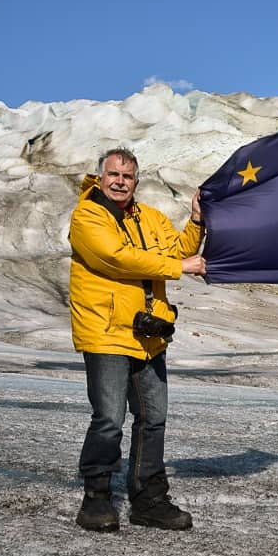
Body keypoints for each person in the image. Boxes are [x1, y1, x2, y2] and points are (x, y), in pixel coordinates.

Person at [68, 147, 206, 532]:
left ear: (136, 181)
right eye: (113, 174)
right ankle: (96, 499)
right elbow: (116, 258)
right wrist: (179, 268)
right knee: (109, 418)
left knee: (153, 418)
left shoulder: (150, 218)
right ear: (100, 177)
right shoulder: (87, 216)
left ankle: (148, 500)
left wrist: (196, 222)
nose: (119, 181)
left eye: (127, 177)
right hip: (106, 332)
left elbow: (179, 249)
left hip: (149, 333)